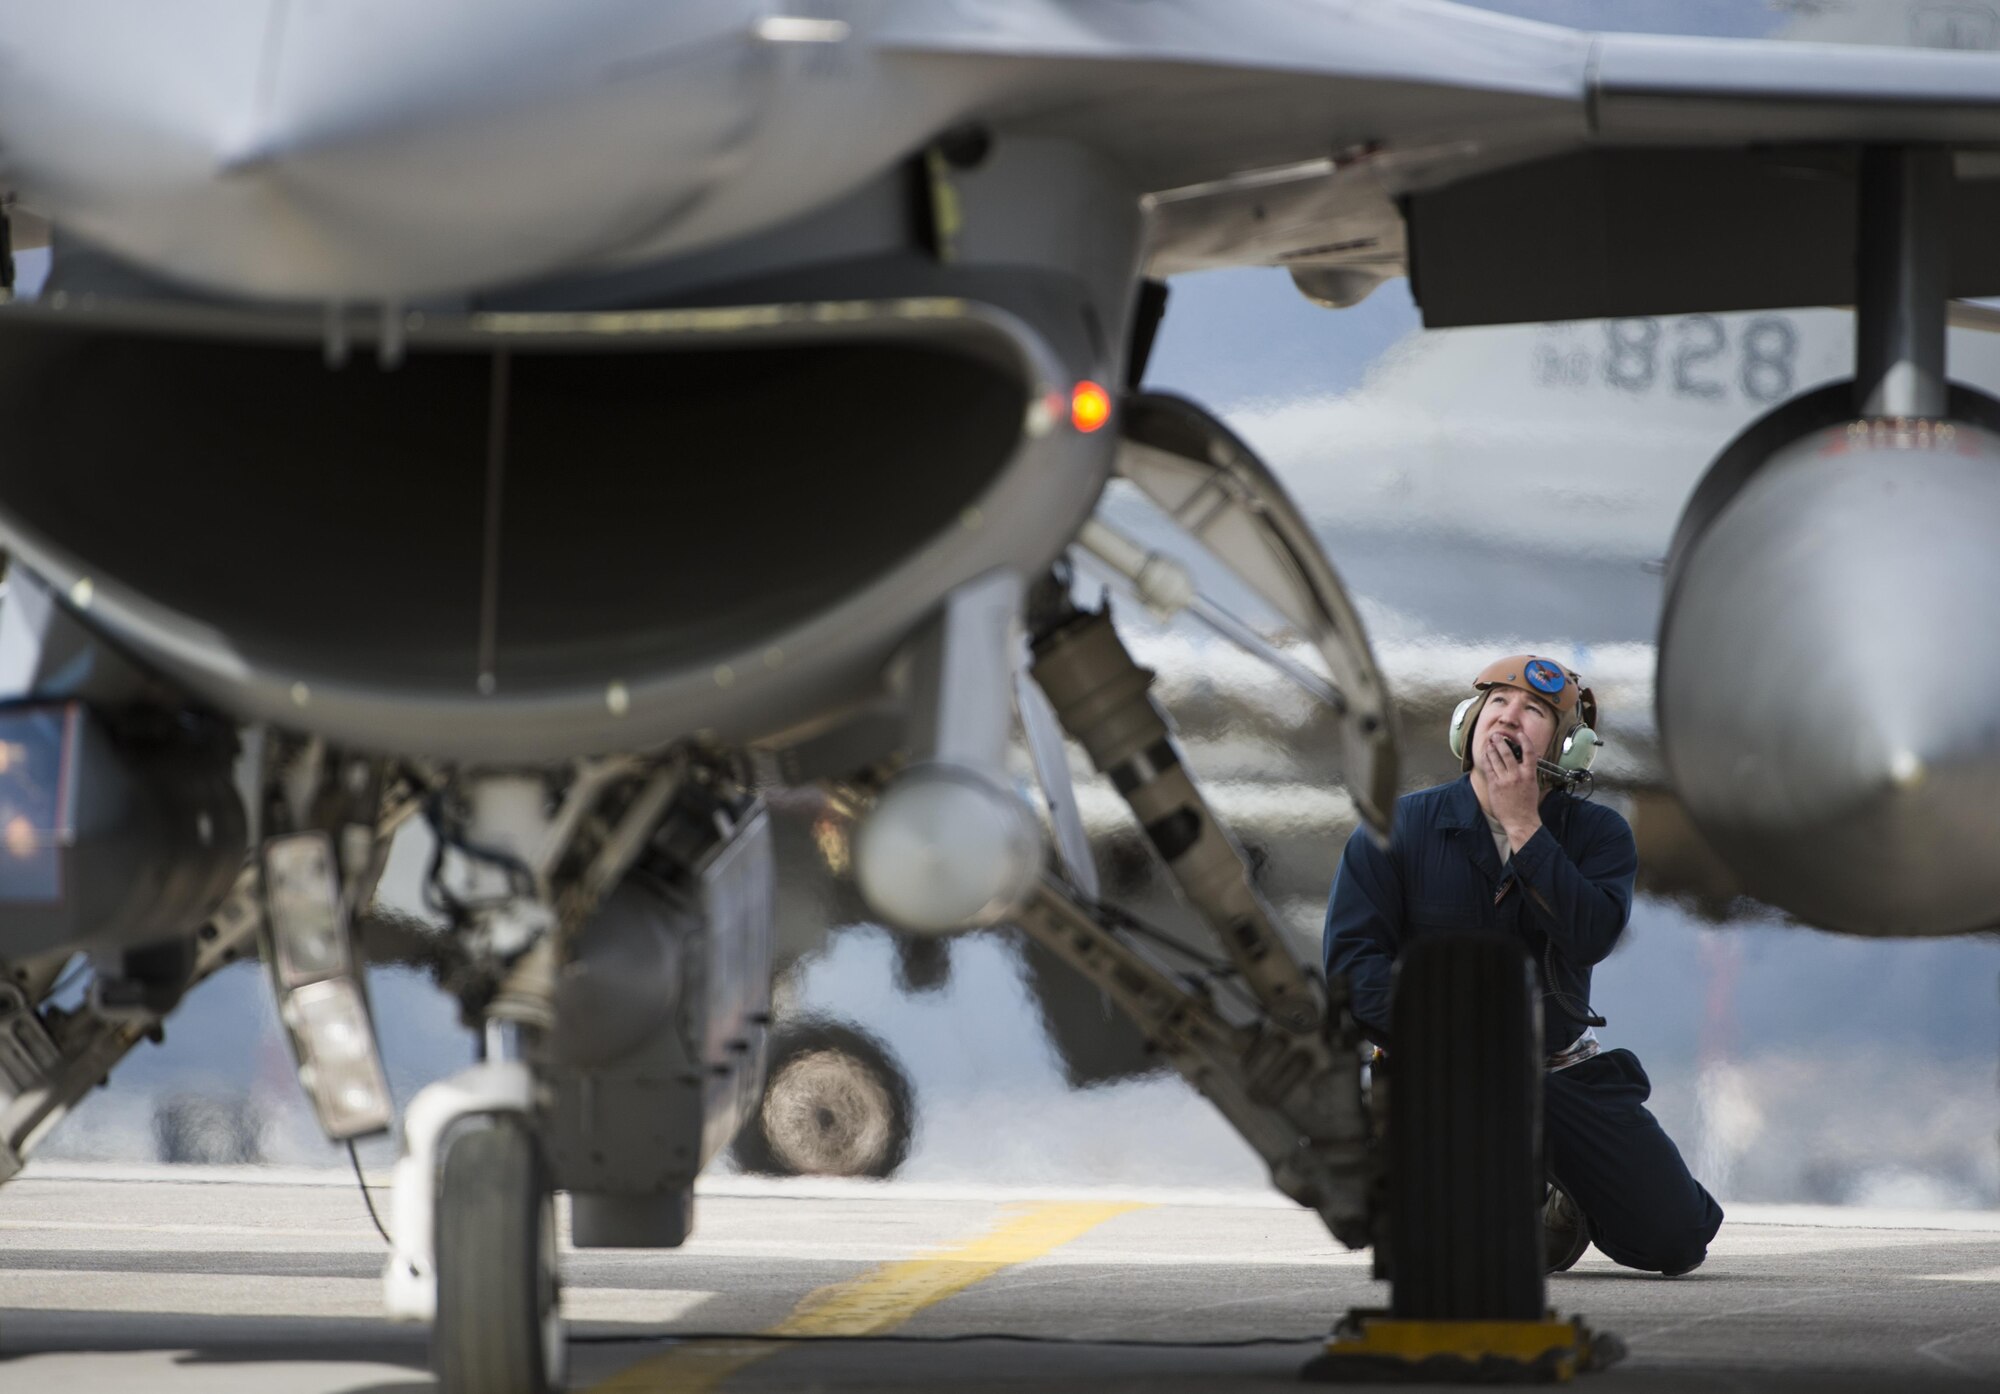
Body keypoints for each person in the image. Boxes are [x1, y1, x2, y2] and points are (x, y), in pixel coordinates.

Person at [1323, 654, 1722, 1276]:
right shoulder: (1396, 830)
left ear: (1567, 748)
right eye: (1497, 705)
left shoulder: (1598, 836)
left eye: (1533, 711)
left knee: (1675, 1240)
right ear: (1468, 723)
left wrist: (1524, 827)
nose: (1508, 718)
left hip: (1556, 1073)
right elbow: (1353, 972)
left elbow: (1591, 935)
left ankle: (1569, 1197)